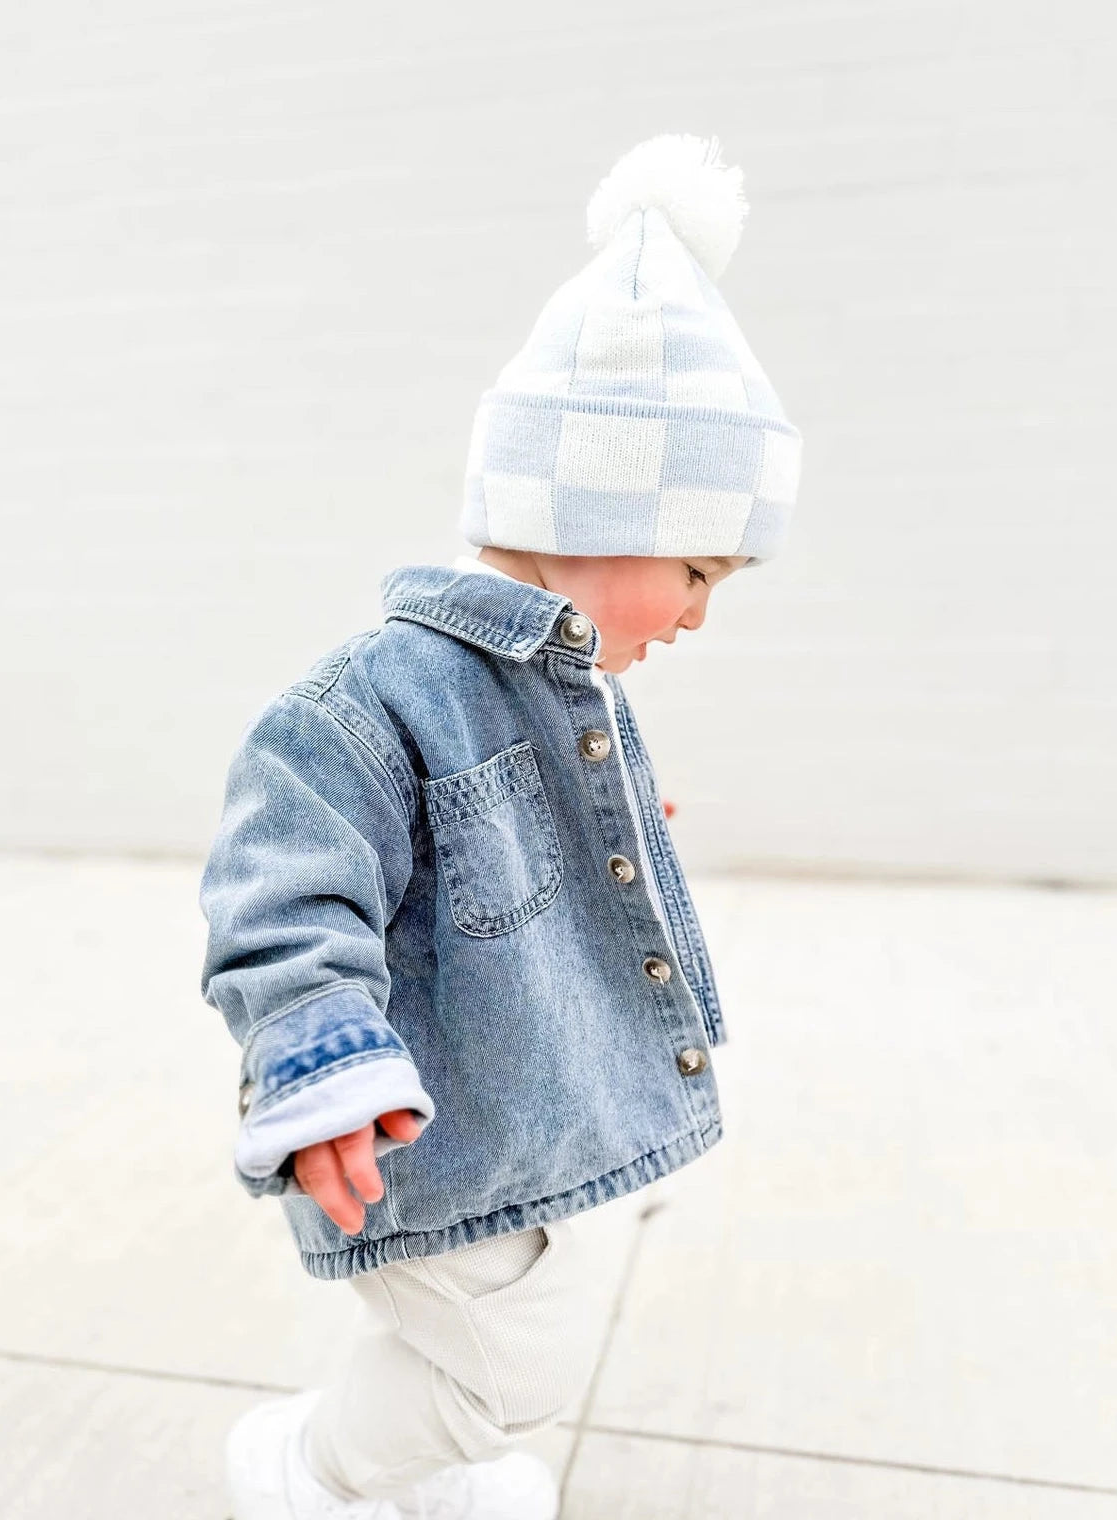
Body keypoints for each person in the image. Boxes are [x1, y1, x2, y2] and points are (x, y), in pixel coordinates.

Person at [198, 131, 802, 1520]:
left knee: (487, 1337)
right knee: (510, 1369)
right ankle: (304, 1471)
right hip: (421, 1131)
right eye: (699, 567)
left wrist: (615, 832)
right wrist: (316, 1053)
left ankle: (436, 1473)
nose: (702, 612)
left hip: (528, 1114)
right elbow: (281, 886)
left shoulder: (561, 694)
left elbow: (516, 849)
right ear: (598, 503)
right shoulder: (377, 697)